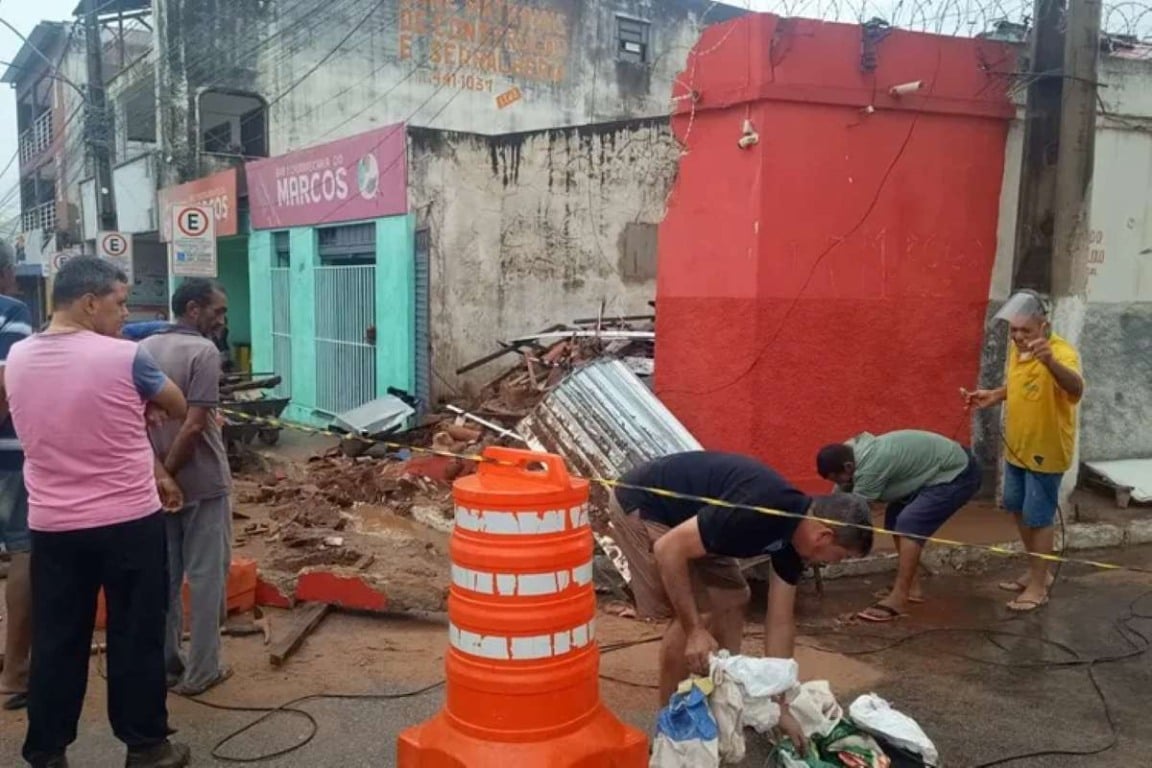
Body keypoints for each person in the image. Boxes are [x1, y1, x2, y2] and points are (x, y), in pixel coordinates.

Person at [5, 257, 192, 768]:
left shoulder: (18, 357)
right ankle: (146, 746)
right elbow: (177, 404)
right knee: (136, 634)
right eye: (120, 303)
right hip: (128, 521)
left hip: (53, 526)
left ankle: (47, 751)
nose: (125, 314)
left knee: (56, 639)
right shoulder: (124, 357)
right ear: (90, 303)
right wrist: (142, 404)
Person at [607, 451, 873, 746]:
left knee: (734, 596)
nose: (834, 563)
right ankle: (672, 730)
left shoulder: (794, 540)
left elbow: (780, 622)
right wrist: (695, 631)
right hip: (645, 504)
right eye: (841, 557)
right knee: (695, 614)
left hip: (695, 523)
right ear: (824, 537)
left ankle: (724, 696)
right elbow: (669, 549)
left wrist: (780, 707)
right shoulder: (761, 509)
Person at [964, 290, 1084, 613]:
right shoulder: (1019, 351)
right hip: (1017, 447)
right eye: (1014, 330)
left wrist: (1050, 362)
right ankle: (1035, 572)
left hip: (1046, 450)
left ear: (1043, 326)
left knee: (1039, 517)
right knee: (1017, 507)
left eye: (1025, 330)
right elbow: (1023, 385)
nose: (1017, 336)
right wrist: (995, 394)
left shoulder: (1061, 353)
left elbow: (1076, 387)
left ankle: (1039, 587)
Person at [141, 278, 233, 696]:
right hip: (202, 482)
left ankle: (167, 664)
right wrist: (172, 476)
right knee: (207, 578)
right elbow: (195, 425)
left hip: (153, 484)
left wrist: (159, 476)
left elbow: (133, 422)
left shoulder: (143, 349)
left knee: (164, 577)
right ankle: (202, 671)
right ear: (194, 309)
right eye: (218, 310)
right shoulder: (204, 352)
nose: (222, 319)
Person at [815, 430, 982, 622]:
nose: (839, 483)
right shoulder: (848, 454)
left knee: (908, 523)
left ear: (848, 466)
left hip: (956, 473)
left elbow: (854, 513)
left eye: (838, 478)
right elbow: (840, 497)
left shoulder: (871, 466)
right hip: (932, 468)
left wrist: (828, 537)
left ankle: (899, 598)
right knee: (894, 522)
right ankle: (912, 588)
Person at [0, 240, 34, 711]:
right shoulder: (12, 311)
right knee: (25, 552)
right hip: (8, 458)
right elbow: (5, 386)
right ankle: (14, 675)